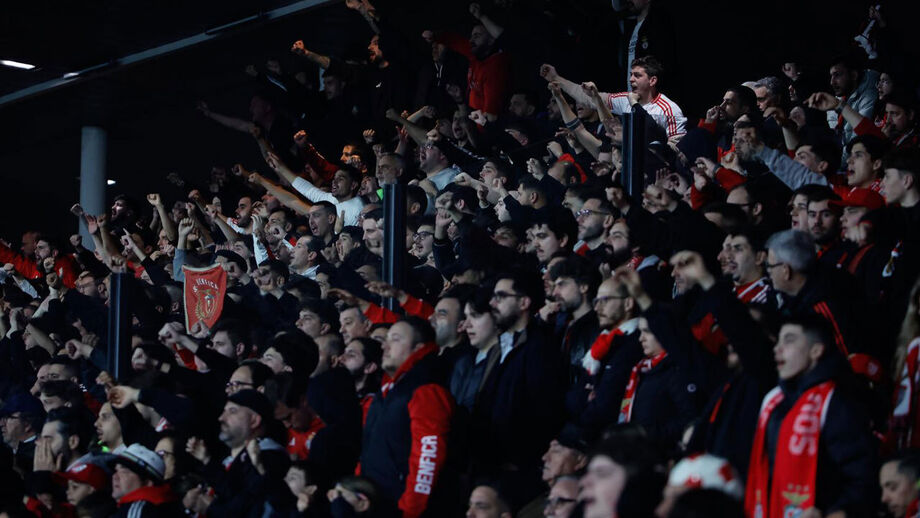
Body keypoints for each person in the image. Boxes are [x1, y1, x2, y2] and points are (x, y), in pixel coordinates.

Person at [745, 315, 877, 517]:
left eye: (789, 340)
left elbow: (862, 476)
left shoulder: (838, 401)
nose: (777, 348)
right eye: (778, 341)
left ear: (816, 350)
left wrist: (837, 511)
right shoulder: (774, 400)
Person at [359, 317, 453, 518]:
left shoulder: (426, 389)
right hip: (378, 504)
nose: (384, 345)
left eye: (396, 338)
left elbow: (428, 458)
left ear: (418, 348)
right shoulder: (388, 390)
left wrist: (409, 510)